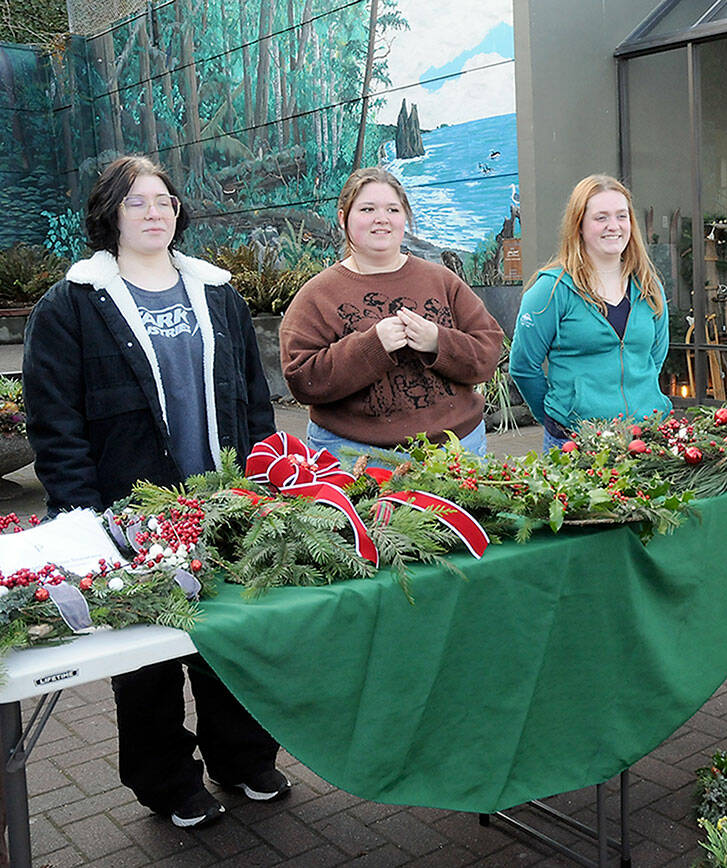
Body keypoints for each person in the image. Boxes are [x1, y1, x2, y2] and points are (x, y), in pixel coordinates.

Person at [23, 155, 288, 828]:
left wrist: (259, 478)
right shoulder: (72, 304)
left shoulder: (217, 293)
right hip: (127, 512)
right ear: (110, 213)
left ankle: (244, 757)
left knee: (232, 637)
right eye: (137, 201)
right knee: (145, 658)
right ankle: (167, 781)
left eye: (164, 200)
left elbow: (254, 400)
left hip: (223, 503)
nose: (154, 212)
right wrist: (83, 515)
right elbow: (55, 422)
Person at [280, 167, 504, 463]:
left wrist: (438, 342)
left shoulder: (442, 280)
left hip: (456, 449)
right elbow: (302, 379)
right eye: (367, 209)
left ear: (405, 217)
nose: (381, 219)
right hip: (354, 454)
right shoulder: (318, 295)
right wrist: (372, 346)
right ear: (343, 217)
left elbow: (488, 351)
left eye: (392, 209)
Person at [509, 174, 671, 448]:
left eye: (622, 216)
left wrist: (639, 397)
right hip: (576, 441)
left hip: (646, 436)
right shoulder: (552, 290)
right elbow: (524, 366)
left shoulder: (648, 285)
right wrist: (557, 414)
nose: (614, 226)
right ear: (579, 225)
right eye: (601, 218)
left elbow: (654, 357)